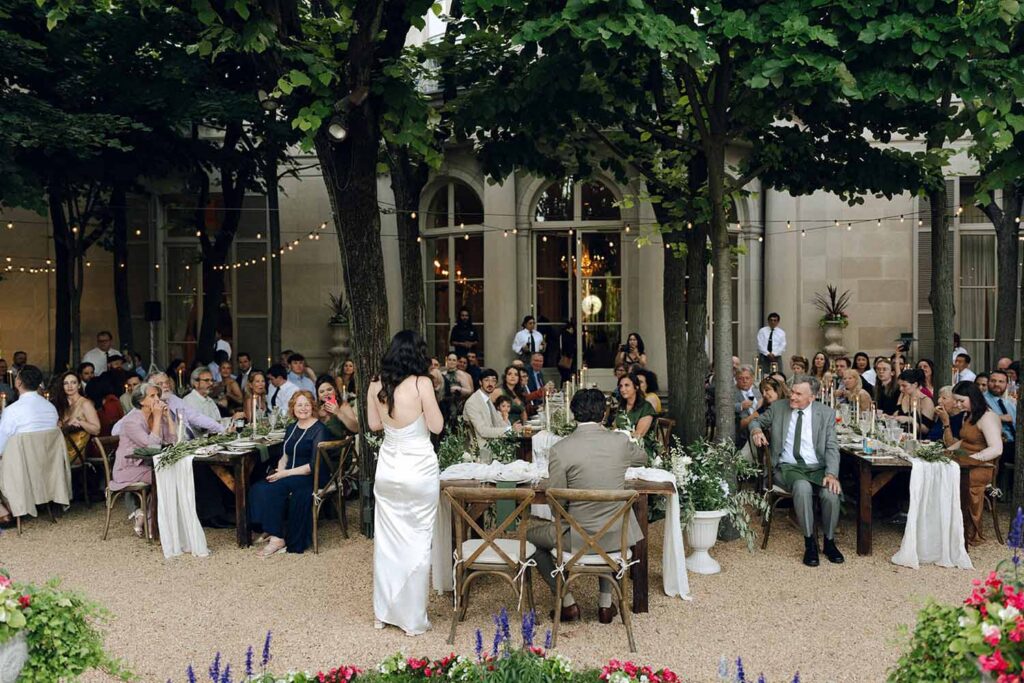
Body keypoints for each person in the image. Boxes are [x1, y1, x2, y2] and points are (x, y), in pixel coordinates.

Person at [527, 388, 646, 623]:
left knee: (529, 536)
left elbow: (557, 501)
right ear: (604, 413)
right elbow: (642, 458)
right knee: (605, 523)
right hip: (617, 537)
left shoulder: (560, 449)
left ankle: (567, 600)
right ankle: (605, 603)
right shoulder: (620, 442)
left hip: (578, 537)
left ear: (573, 414)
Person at [367, 330, 444, 635]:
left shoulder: (375, 384)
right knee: (418, 542)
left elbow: (374, 425)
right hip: (418, 469)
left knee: (387, 544)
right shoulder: (420, 383)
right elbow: (436, 426)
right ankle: (412, 618)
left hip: (388, 469)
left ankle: (383, 613)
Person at [750, 374, 844, 567]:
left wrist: (831, 474)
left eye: (798, 394)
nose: (792, 397)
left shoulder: (825, 413)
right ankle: (810, 543)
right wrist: (756, 431)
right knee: (802, 487)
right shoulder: (778, 408)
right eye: (792, 391)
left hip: (816, 467)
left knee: (831, 493)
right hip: (787, 467)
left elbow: (832, 447)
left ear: (812, 397)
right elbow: (755, 421)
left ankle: (829, 542)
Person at [248, 391, 330, 556]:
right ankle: (271, 528)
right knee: (260, 487)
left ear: (312, 406)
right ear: (293, 408)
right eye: (299, 405)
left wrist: (284, 475)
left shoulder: (319, 429)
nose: (303, 408)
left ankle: (277, 538)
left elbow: (313, 465)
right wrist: (280, 470)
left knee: (274, 489)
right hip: (289, 472)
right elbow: (285, 455)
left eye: (307, 404)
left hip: (310, 476)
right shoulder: (292, 427)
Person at [110, 382, 177, 536]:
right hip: (127, 469)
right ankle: (151, 524)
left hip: (148, 466)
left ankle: (153, 520)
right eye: (152, 396)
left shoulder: (155, 416)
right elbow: (150, 446)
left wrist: (168, 418)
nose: (157, 399)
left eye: (158, 396)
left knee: (168, 474)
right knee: (162, 476)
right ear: (141, 401)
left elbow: (172, 442)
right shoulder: (131, 421)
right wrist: (159, 417)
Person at [947, 381, 1003, 546]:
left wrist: (972, 460)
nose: (958, 404)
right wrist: (948, 451)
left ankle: (966, 529)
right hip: (965, 461)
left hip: (981, 467)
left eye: (961, 401)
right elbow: (965, 441)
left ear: (973, 398)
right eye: (956, 401)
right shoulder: (969, 414)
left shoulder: (988, 417)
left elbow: (996, 449)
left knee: (953, 477)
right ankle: (948, 527)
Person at [0, 366, 58, 461]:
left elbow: (0, 447)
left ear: (18, 382)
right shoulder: (51, 408)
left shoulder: (12, 411)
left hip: (19, 467)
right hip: (47, 464)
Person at [463, 369, 518, 462]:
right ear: (480, 382)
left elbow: (498, 422)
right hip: (481, 449)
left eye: (493, 380)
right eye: (487, 380)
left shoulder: (487, 400)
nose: (490, 383)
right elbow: (483, 431)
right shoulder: (473, 402)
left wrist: (511, 427)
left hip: (494, 443)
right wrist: (510, 430)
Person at [50, 371, 101, 467]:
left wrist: (80, 421)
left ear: (79, 386)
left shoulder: (85, 404)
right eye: (66, 383)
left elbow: (96, 429)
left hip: (77, 450)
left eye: (73, 382)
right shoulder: (61, 404)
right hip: (61, 446)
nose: (70, 386)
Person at [984, 369, 1016, 483]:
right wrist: (1000, 417)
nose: (997, 384)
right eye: (993, 381)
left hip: (1015, 443)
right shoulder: (981, 400)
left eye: (1001, 382)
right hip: (998, 443)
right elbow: (980, 417)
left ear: (1007, 385)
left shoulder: (1010, 403)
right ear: (988, 382)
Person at [893, 369, 935, 439]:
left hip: (919, 440)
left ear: (915, 384)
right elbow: (897, 414)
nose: (900, 389)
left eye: (904, 386)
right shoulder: (902, 395)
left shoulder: (926, 401)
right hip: (901, 437)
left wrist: (911, 420)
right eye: (899, 385)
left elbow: (926, 430)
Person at [615, 372, 655, 441]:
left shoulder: (646, 407)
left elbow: (639, 434)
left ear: (636, 387)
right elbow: (615, 428)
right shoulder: (621, 406)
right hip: (621, 444)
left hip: (640, 447)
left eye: (626, 385)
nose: (622, 389)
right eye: (621, 386)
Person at [439, 352, 473, 421]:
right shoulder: (442, 374)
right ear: (446, 360)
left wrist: (458, 388)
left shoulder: (460, 374)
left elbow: (469, 390)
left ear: (457, 362)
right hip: (444, 404)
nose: (451, 362)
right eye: (450, 359)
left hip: (456, 404)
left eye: (454, 360)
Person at [733, 365, 761, 449]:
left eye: (747, 378)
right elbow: (725, 407)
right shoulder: (732, 392)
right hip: (743, 430)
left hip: (760, 423)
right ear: (736, 379)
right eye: (741, 378)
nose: (744, 381)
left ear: (752, 378)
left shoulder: (757, 391)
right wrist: (740, 405)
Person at [557, 320, 577, 384]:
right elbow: (569, 349)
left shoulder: (561, 335)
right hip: (567, 359)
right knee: (567, 377)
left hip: (561, 358)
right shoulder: (569, 337)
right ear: (570, 328)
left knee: (564, 377)